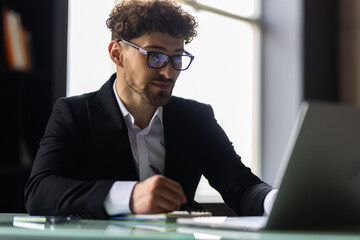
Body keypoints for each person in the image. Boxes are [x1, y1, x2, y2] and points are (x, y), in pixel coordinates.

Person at [25, 0, 275, 219]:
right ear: (117, 54)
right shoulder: (74, 113)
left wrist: (276, 200)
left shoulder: (197, 119)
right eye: (155, 56)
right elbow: (40, 192)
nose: (168, 71)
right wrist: (129, 197)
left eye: (177, 57)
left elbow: (241, 187)